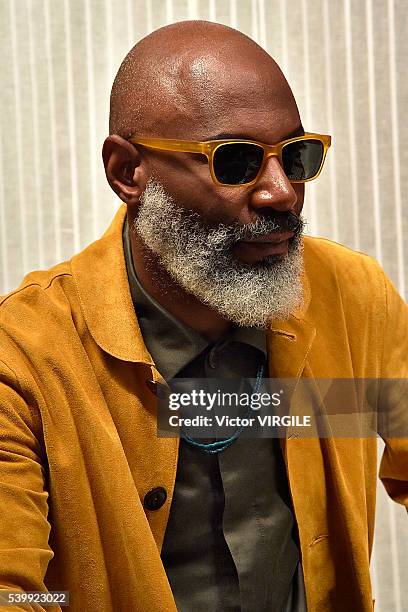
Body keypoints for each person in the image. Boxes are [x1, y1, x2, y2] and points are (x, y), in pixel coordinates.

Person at [0, 19, 406, 612]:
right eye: (235, 162)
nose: (281, 193)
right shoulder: (26, 357)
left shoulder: (352, 297)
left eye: (296, 157)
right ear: (128, 172)